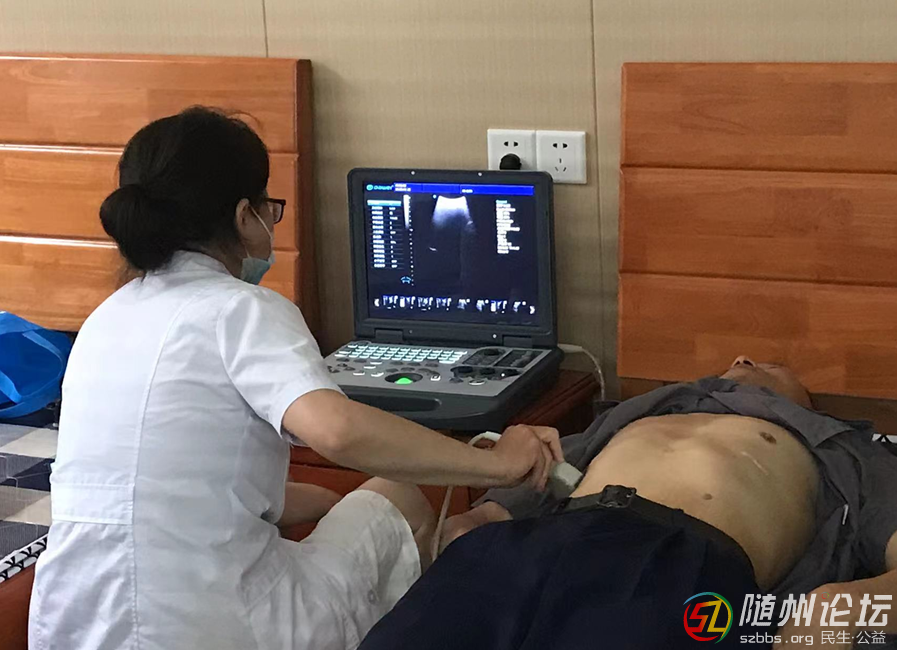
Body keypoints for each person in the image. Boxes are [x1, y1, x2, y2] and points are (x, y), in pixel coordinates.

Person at [28, 106, 561, 650]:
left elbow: (174, 483)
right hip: (209, 630)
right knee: (397, 495)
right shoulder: (241, 308)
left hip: (68, 625)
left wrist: (329, 503)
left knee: (339, 507)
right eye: (269, 208)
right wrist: (497, 464)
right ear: (244, 216)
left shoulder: (106, 319)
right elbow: (338, 432)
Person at [359, 358, 897, 650]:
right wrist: (479, 518)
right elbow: (536, 474)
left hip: (676, 562)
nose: (741, 358)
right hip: (529, 544)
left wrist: (841, 608)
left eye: (773, 364)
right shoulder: (637, 412)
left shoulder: (845, 447)